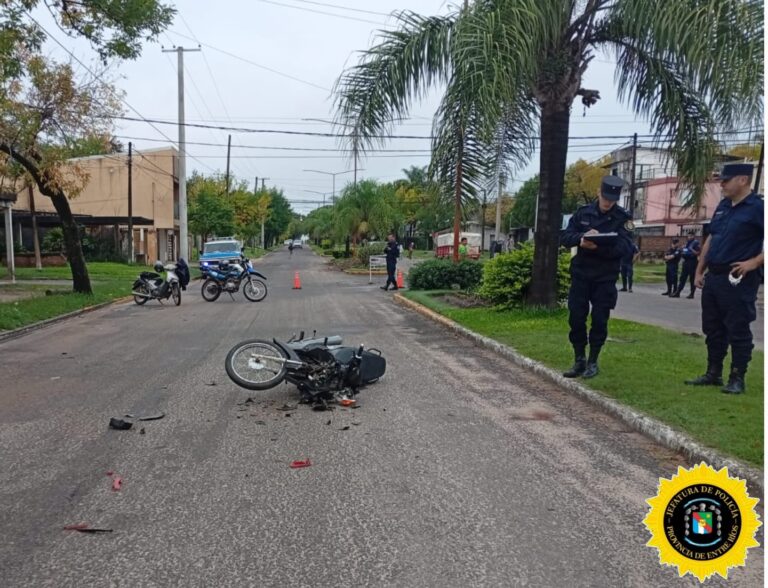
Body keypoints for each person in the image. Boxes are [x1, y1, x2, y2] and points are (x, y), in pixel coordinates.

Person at [684, 163, 763, 394]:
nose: (722, 184)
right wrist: (699, 270)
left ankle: (737, 377)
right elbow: (711, 238)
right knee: (713, 328)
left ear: (743, 180)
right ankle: (713, 373)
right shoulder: (723, 206)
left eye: (726, 180)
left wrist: (754, 262)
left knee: (738, 328)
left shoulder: (758, 208)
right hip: (714, 276)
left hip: (737, 278)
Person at [560, 175, 634, 379]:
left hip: (605, 276)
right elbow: (565, 236)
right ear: (598, 193)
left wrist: (598, 247)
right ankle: (579, 359)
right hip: (581, 273)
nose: (608, 203)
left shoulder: (623, 218)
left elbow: (626, 247)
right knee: (576, 317)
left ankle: (593, 361)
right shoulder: (583, 213)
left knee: (600, 320)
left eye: (612, 200)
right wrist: (581, 239)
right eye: (605, 198)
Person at [671, 233, 701, 298]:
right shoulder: (687, 243)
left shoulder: (696, 243)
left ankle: (692, 294)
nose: (689, 237)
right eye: (688, 236)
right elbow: (684, 251)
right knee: (682, 278)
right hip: (686, 262)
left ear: (693, 236)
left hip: (692, 262)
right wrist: (683, 249)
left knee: (692, 278)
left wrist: (691, 249)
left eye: (691, 236)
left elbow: (698, 253)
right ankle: (678, 292)